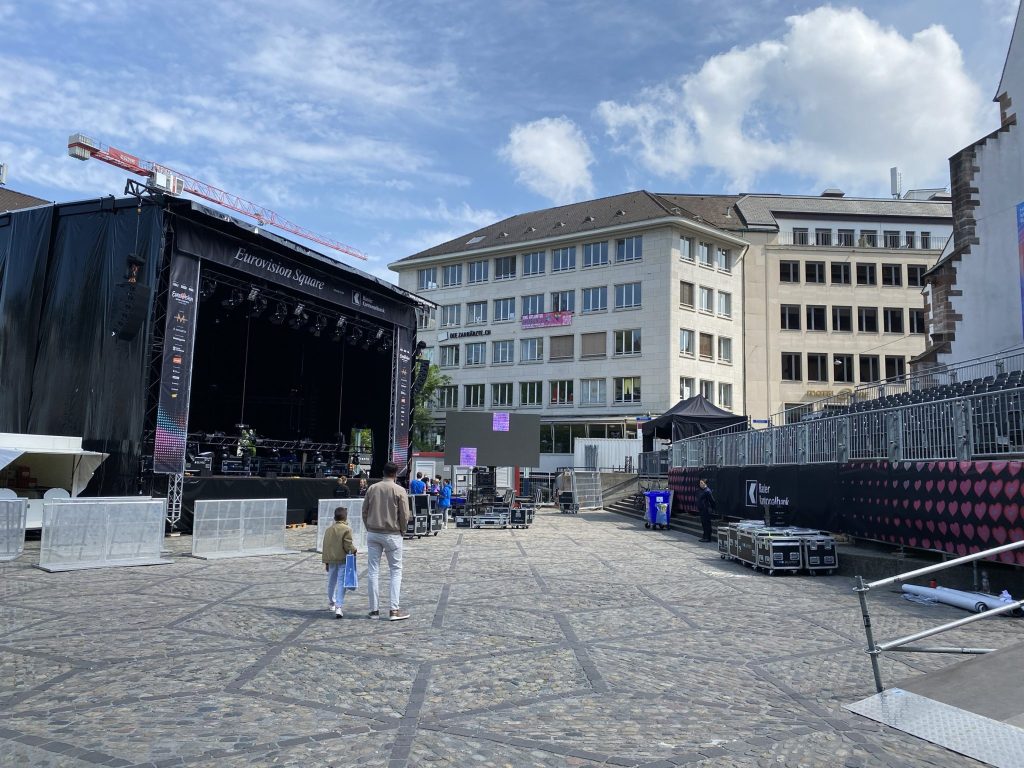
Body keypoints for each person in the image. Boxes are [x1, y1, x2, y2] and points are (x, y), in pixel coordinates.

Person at [362, 461, 411, 621]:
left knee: (373, 571)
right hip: (392, 533)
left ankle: (374, 610)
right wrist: (402, 530)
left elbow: (365, 510)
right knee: (396, 571)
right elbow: (405, 514)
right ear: (396, 474)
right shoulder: (399, 490)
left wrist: (368, 526)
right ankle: (394, 610)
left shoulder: (372, 488)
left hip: (373, 532)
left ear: (383, 472)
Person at [322, 507, 358, 618]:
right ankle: (338, 606)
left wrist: (326, 561)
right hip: (343, 559)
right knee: (341, 582)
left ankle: (332, 602)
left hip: (331, 559)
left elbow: (326, 546)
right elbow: (348, 545)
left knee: (331, 581)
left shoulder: (328, 530)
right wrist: (354, 550)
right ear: (346, 517)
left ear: (334, 517)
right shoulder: (347, 529)